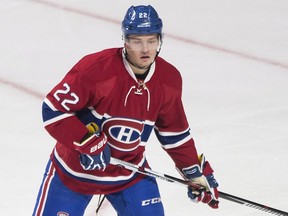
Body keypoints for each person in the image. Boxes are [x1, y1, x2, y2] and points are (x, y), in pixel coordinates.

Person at [33, 5, 219, 216]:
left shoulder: (169, 79)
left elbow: (174, 134)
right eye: (137, 41)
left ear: (160, 40)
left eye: (151, 40)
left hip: (129, 173)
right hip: (74, 172)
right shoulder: (95, 70)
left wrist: (194, 173)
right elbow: (53, 110)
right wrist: (87, 142)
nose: (145, 49)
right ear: (125, 40)